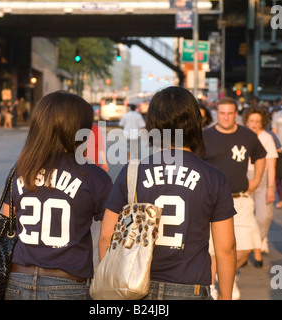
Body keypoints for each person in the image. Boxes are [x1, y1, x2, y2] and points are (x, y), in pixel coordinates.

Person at [99, 86, 237, 300]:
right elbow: (226, 248)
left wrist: (111, 284)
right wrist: (226, 296)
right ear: (196, 123)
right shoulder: (213, 177)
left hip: (136, 287)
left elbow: (107, 236)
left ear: (152, 124)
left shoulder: (132, 172)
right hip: (190, 288)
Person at [1, 91, 113, 300]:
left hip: (17, 280)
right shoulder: (95, 176)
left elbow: (5, 225)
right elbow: (109, 236)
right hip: (68, 283)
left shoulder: (21, 170)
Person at [202, 97, 266, 300]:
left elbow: (260, 156)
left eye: (230, 113)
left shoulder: (247, 135)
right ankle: (212, 287)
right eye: (222, 113)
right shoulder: (205, 136)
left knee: (246, 248)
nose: (226, 117)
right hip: (212, 202)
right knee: (212, 250)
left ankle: (226, 275)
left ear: (236, 114)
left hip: (241, 199)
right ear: (216, 114)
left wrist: (256, 180)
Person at [243, 106, 278, 258]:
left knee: (264, 216)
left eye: (257, 121)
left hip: (263, 179)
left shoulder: (267, 138)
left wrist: (271, 188)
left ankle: (262, 238)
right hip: (243, 178)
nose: (254, 124)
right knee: (245, 215)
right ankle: (250, 243)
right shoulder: (241, 135)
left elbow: (271, 166)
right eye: (251, 121)